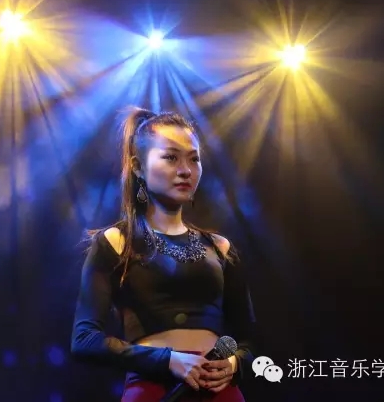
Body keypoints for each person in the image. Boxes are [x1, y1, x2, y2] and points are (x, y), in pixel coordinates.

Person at [70, 107, 256, 402]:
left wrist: (234, 363)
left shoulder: (220, 247)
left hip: (221, 392)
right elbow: (85, 340)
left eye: (194, 159)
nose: (186, 170)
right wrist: (167, 360)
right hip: (154, 389)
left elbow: (250, 339)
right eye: (171, 157)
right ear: (138, 167)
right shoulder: (116, 242)